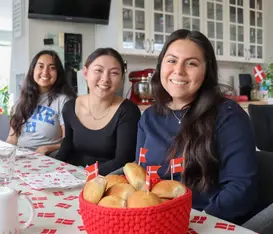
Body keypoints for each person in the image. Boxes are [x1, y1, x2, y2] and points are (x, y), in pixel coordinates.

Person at [136, 29, 258, 224]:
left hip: (207, 222)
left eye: (191, 63)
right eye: (171, 60)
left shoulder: (229, 115)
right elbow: (141, 178)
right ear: (160, 66)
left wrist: (191, 222)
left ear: (206, 70)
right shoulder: (149, 117)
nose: (179, 70)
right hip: (156, 220)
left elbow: (241, 188)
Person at [57, 48, 141, 175]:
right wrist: (53, 169)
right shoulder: (70, 107)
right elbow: (67, 147)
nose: (105, 79)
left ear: (121, 78)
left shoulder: (128, 111)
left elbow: (123, 160)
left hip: (109, 181)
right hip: (73, 177)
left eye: (114, 73)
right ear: (85, 73)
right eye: (98, 70)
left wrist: (85, 174)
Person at [7, 50, 76, 155]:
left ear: (58, 73)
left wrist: (48, 148)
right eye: (40, 66)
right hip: (20, 157)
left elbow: (70, 142)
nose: (45, 72)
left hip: (47, 158)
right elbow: (12, 139)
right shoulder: (21, 101)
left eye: (52, 68)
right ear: (32, 70)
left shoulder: (63, 101)